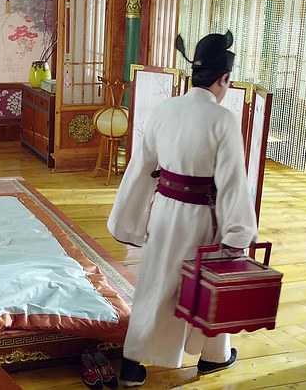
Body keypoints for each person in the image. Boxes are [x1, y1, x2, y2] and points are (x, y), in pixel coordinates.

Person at [107, 31, 258, 386]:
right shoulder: (222, 119)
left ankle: (134, 364)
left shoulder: (165, 109)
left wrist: (130, 218)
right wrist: (238, 234)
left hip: (163, 211)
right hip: (202, 219)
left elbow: (141, 166)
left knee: (156, 282)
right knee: (208, 285)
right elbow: (232, 182)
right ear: (224, 78)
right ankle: (211, 357)